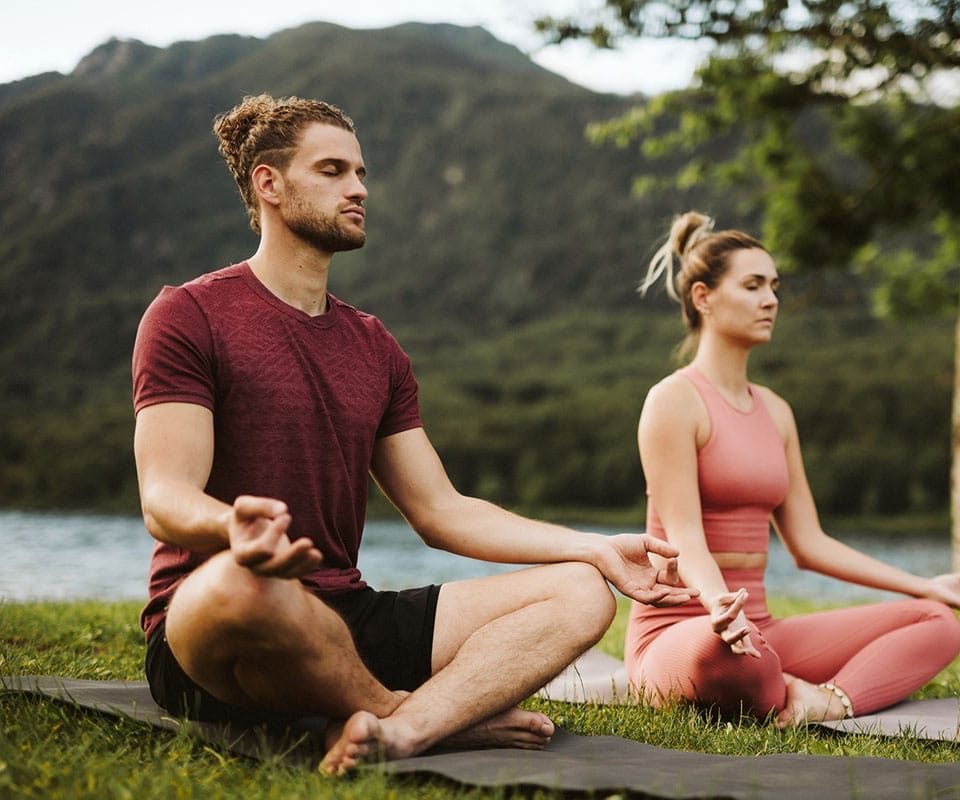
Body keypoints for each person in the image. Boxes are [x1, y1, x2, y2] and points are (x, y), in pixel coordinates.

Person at [131, 94, 694, 775]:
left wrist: (597, 548)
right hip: (215, 621)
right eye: (334, 170)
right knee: (244, 586)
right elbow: (165, 496)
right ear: (269, 184)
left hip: (347, 616)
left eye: (361, 172)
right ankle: (411, 713)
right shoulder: (189, 314)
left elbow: (440, 510)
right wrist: (231, 530)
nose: (359, 188)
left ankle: (401, 733)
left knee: (579, 592)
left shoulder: (374, 347)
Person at [624, 212, 960, 727]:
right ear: (703, 298)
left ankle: (825, 700)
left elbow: (809, 543)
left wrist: (923, 585)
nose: (771, 300)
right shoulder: (673, 400)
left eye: (775, 287)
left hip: (758, 628)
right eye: (753, 285)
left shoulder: (777, 412)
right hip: (683, 630)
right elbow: (685, 536)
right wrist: (720, 607)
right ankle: (772, 681)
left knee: (937, 623)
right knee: (739, 660)